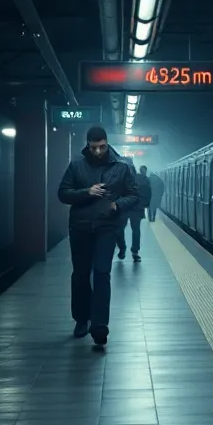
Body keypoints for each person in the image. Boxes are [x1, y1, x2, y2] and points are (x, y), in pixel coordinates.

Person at [57, 125, 140, 347]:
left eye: (102, 147)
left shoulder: (121, 166)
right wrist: (87, 192)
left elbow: (134, 195)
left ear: (107, 142)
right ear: (88, 145)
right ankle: (81, 319)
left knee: (102, 273)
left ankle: (100, 326)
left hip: (107, 227)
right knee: (81, 275)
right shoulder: (76, 165)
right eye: (94, 148)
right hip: (80, 227)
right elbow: (62, 193)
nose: (98, 152)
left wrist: (116, 204)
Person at [116, 164, 151, 262]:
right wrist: (144, 204)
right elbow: (148, 193)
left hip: (125, 208)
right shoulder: (143, 179)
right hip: (134, 208)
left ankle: (123, 248)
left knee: (120, 229)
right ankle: (134, 251)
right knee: (135, 230)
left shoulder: (120, 180)